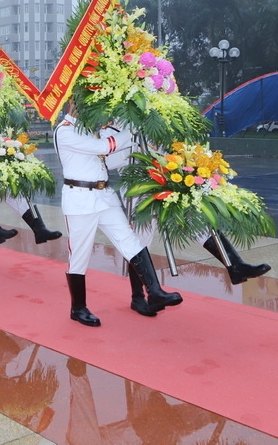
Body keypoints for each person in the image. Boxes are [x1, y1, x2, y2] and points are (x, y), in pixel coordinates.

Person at [54, 108, 182, 326]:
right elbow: (104, 147)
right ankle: (78, 307)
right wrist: (134, 128)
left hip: (104, 196)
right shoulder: (65, 131)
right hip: (80, 200)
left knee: (130, 240)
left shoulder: (88, 129)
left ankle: (154, 290)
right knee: (80, 255)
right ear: (72, 105)